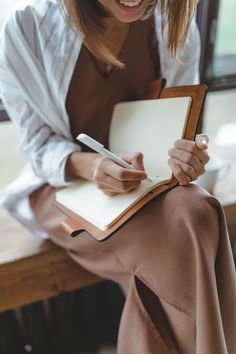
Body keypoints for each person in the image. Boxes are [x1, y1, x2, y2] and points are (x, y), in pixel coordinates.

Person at [0, 0, 235, 353]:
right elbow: (38, 146)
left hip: (148, 189)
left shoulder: (174, 21)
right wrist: (92, 166)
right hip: (63, 191)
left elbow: (182, 123)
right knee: (189, 227)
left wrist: (188, 154)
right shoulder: (26, 27)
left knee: (195, 210)